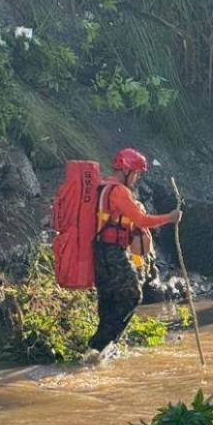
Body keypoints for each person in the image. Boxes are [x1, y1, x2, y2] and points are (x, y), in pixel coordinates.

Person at [87, 147, 181, 354]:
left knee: (109, 299)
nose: (137, 178)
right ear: (127, 170)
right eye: (137, 173)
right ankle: (101, 345)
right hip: (112, 252)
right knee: (132, 295)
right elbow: (141, 220)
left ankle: (99, 349)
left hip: (98, 250)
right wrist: (169, 217)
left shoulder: (103, 186)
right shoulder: (120, 191)